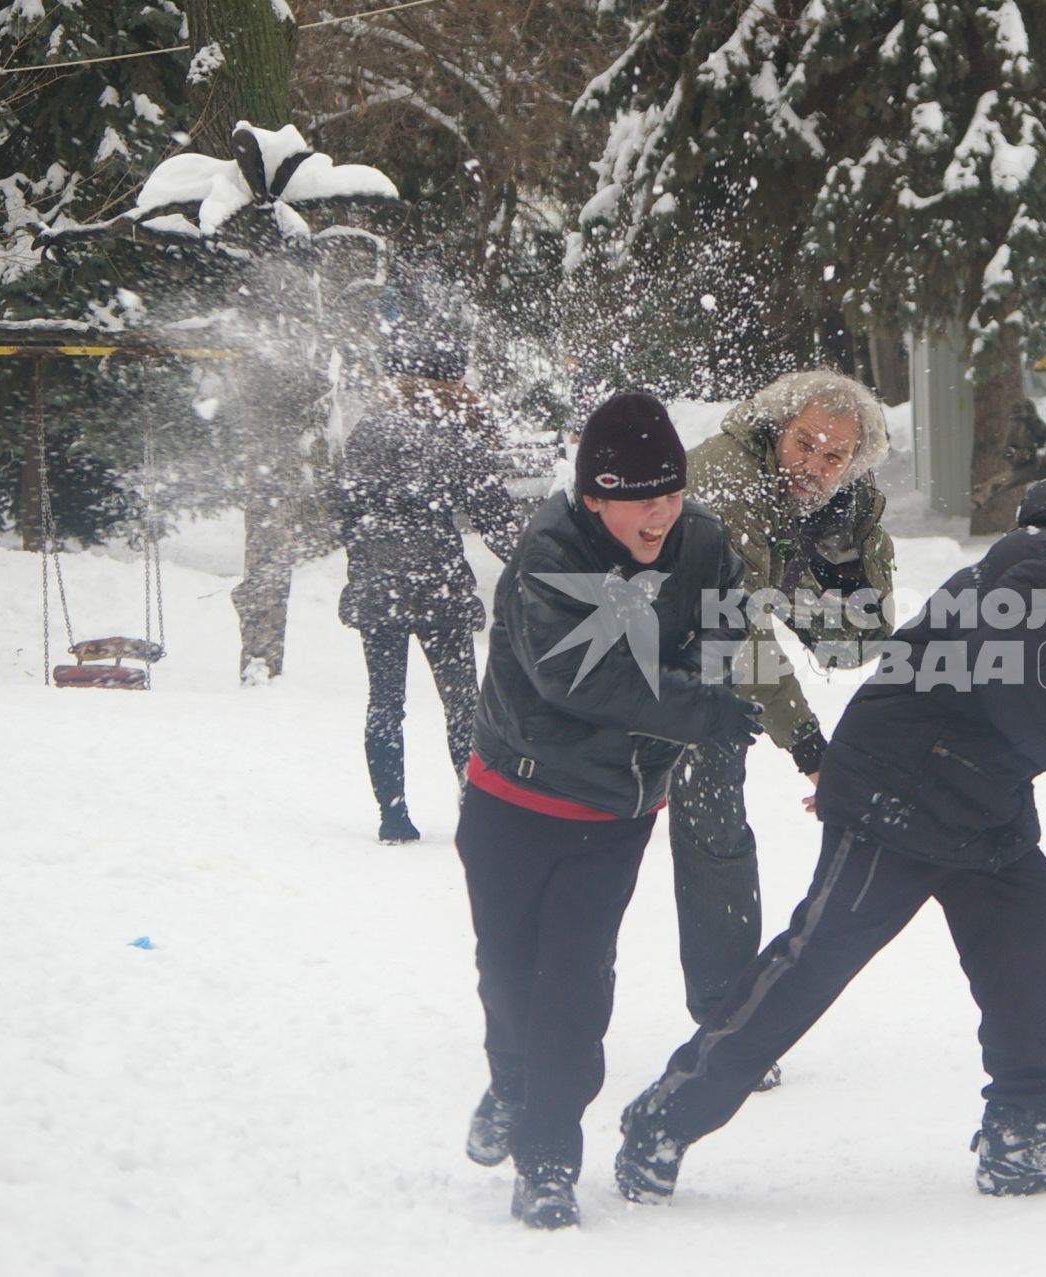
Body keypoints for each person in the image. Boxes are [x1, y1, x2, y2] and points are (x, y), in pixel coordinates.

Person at [614, 444, 1046, 1201]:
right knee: (814, 962)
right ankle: (665, 1117)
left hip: (976, 800)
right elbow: (1034, 698)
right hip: (902, 789)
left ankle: (1020, 1129)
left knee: (1042, 936)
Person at [454, 391, 759, 1230]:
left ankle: (548, 1158)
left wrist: (715, 679)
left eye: (674, 492)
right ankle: (510, 1080)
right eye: (641, 496)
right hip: (513, 798)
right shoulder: (551, 552)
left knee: (575, 984)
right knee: (508, 970)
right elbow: (580, 680)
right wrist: (697, 707)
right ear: (596, 496)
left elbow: (727, 625)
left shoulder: (700, 543)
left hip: (614, 815)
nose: (662, 512)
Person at [673, 370, 895, 1087]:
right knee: (662, 839)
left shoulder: (796, 497)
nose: (816, 466)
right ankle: (725, 1019)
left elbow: (851, 642)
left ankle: (725, 1014)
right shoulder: (731, 482)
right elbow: (740, 635)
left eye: (835, 458)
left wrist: (859, 535)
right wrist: (809, 746)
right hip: (632, 677)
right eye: (806, 444)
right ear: (779, 428)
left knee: (714, 836)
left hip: (697, 677)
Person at [331, 343, 521, 843]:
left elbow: (343, 509)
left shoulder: (366, 434)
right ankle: (475, 806)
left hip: (379, 590)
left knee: (385, 703)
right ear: (449, 386)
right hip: (438, 590)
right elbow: (495, 518)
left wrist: (372, 560)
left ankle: (393, 816)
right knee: (463, 706)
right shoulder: (453, 438)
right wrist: (538, 561)